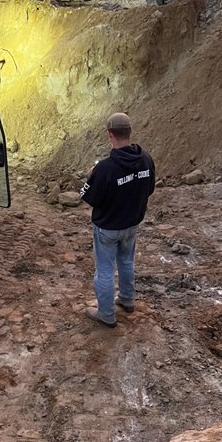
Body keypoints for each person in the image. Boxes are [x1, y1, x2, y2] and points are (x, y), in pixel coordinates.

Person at [79, 113, 156, 328]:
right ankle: (127, 299)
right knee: (126, 261)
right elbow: (149, 189)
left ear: (110, 135)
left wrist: (91, 176)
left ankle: (106, 314)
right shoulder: (145, 159)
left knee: (104, 270)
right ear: (129, 132)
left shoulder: (105, 168)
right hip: (132, 223)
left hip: (107, 228)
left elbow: (89, 197)